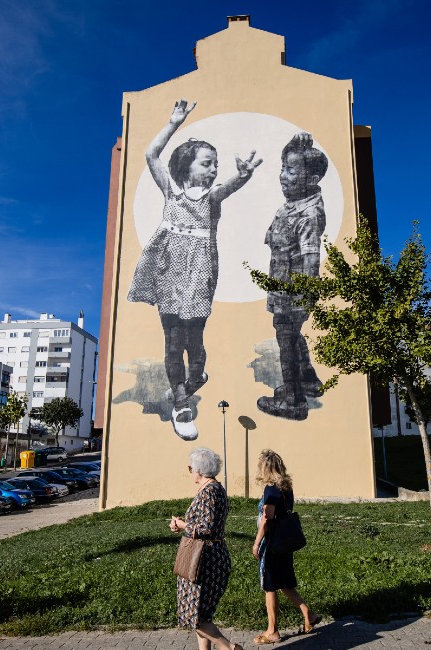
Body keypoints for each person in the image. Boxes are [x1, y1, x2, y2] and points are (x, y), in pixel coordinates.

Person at [129, 99, 262, 441]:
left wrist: (243, 175)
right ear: (188, 166)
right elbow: (151, 155)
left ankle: (196, 376)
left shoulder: (212, 197)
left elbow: (230, 186)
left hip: (200, 269)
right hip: (169, 265)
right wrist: (173, 122)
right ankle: (181, 401)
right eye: (207, 163)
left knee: (194, 340)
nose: (213, 168)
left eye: (215, 163)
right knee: (173, 340)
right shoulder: (171, 191)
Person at [256, 132, 328, 421]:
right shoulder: (292, 206)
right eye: (283, 168)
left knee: (285, 338)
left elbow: (312, 257)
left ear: (311, 180)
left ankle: (293, 400)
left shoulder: (308, 214)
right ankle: (308, 380)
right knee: (292, 334)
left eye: (291, 170)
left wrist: (304, 295)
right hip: (282, 286)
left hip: (293, 291)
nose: (283, 176)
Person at [168, 447, 242, 650]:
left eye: (191, 467)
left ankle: (229, 648)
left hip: (205, 560)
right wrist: (182, 526)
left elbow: (206, 528)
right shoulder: (213, 489)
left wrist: (183, 525)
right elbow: (204, 524)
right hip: (209, 555)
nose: (190, 471)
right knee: (201, 614)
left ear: (199, 470)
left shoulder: (210, 492)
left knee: (196, 617)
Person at [251, 449, 320, 644]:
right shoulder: (286, 488)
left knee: (270, 586)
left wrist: (256, 543)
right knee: (283, 583)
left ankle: (272, 631)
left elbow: (267, 519)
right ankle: (309, 615)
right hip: (285, 543)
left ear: (265, 469)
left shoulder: (271, 490)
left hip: (272, 544)